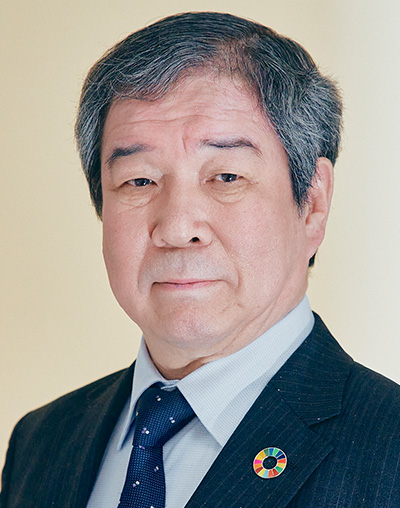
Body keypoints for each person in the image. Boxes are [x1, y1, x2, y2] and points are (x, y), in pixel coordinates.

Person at [1, 11, 399, 508]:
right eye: (139, 180)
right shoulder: (41, 443)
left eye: (226, 177)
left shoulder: (389, 451)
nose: (176, 227)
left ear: (312, 202)